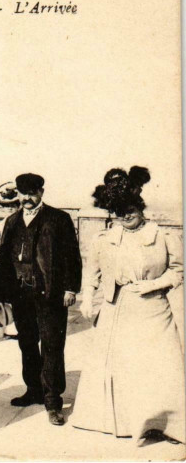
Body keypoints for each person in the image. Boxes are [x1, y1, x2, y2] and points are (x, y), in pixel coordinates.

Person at [72, 166, 184, 445]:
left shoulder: (163, 236)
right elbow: (92, 272)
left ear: (140, 206)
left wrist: (153, 285)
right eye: (118, 212)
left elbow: (178, 271)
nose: (125, 216)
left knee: (158, 365)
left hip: (153, 310)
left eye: (130, 209)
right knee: (119, 367)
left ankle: (162, 423)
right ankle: (120, 423)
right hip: (115, 309)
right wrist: (88, 297)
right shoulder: (104, 238)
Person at [0, 173, 81, 426]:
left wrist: (71, 289)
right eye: (23, 193)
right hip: (21, 294)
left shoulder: (59, 219)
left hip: (50, 294)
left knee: (52, 345)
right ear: (17, 194)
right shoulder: (12, 221)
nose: (27, 198)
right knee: (27, 344)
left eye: (33, 193)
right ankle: (33, 391)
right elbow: (2, 260)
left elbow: (72, 257)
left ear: (41, 192)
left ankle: (53, 402)